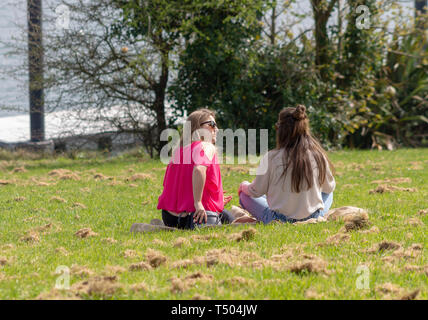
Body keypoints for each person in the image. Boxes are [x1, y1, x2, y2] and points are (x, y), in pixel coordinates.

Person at [238, 105, 335, 224]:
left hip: (278, 219)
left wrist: (244, 185)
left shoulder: (271, 157)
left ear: (280, 130)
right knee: (329, 194)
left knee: (244, 196)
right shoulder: (318, 155)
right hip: (313, 216)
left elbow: (255, 191)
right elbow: (329, 188)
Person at [157, 108, 235, 229]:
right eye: (212, 124)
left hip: (169, 217)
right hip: (195, 216)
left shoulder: (177, 152)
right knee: (230, 221)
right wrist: (198, 203)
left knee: (227, 216)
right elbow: (199, 170)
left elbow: (176, 188)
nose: (217, 129)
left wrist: (215, 199)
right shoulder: (206, 145)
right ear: (197, 127)